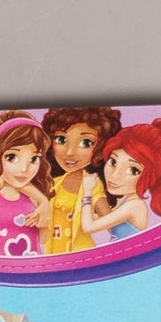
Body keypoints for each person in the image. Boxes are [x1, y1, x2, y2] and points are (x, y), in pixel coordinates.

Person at [78, 118, 161, 244]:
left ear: (151, 176)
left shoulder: (135, 206)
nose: (115, 175)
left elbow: (89, 227)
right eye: (113, 162)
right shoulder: (125, 200)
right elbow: (101, 221)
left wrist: (88, 192)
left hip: (130, 254)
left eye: (133, 170)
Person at [0, 110, 53, 255]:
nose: (24, 169)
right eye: (12, 157)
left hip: (34, 262)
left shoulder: (34, 199)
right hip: (4, 264)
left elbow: (43, 240)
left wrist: (43, 224)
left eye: (34, 159)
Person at [40, 106, 122, 253]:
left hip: (81, 255)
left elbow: (112, 225)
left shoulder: (92, 184)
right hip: (52, 256)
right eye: (61, 139)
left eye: (86, 143)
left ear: (100, 148)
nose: (70, 152)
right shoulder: (54, 184)